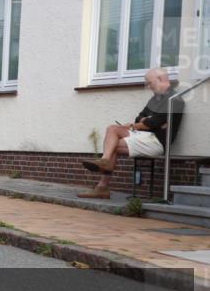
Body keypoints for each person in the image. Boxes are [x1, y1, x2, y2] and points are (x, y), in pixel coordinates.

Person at [78, 68, 185, 199]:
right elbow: (140, 118)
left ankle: (102, 183)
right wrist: (147, 121)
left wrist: (147, 122)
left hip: (157, 142)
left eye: (150, 83)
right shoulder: (155, 100)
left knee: (113, 144)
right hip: (145, 137)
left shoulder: (174, 100)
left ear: (161, 80)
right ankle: (104, 170)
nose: (148, 86)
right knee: (112, 130)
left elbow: (151, 123)